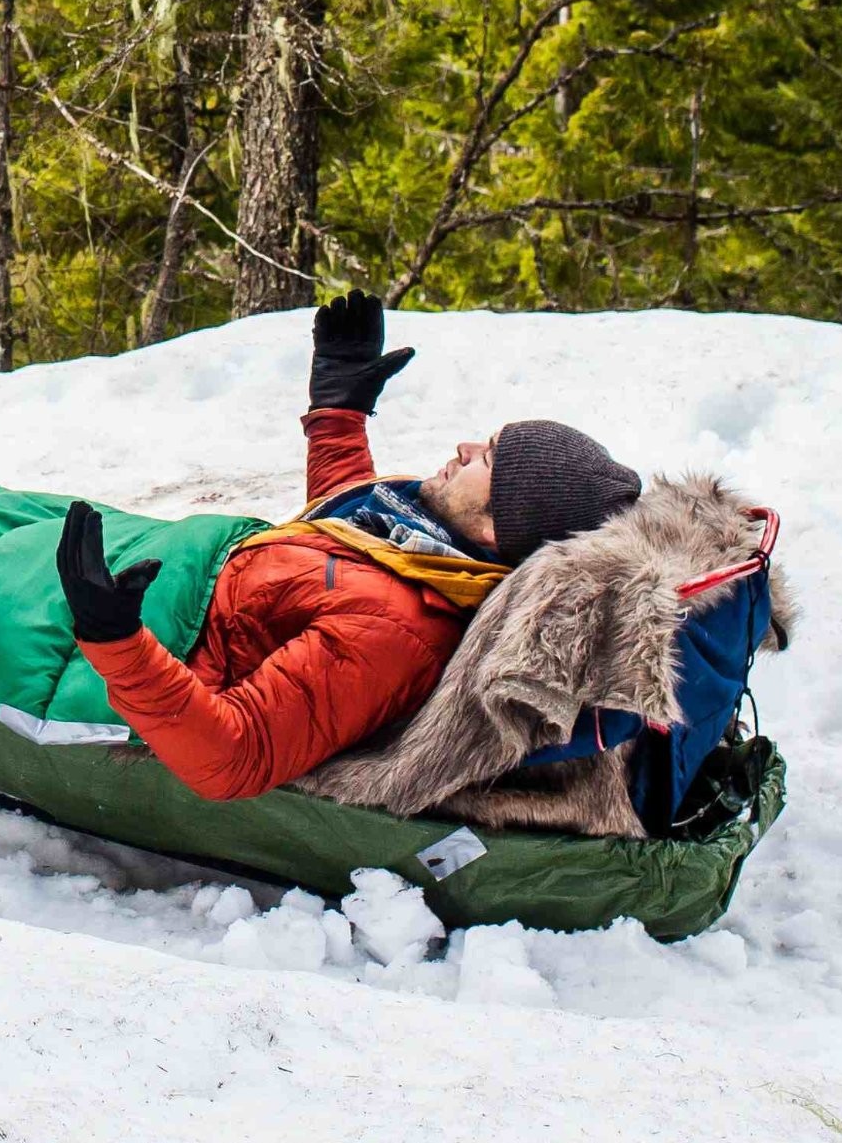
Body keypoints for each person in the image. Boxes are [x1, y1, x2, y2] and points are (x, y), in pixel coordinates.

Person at [50, 290, 644, 799]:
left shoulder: (393, 635)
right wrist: (338, 412)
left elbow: (236, 755)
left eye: (486, 459)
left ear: (496, 528)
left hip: (124, 632)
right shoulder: (430, 553)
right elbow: (347, 550)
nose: (464, 448)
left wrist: (115, 641)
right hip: (167, 561)